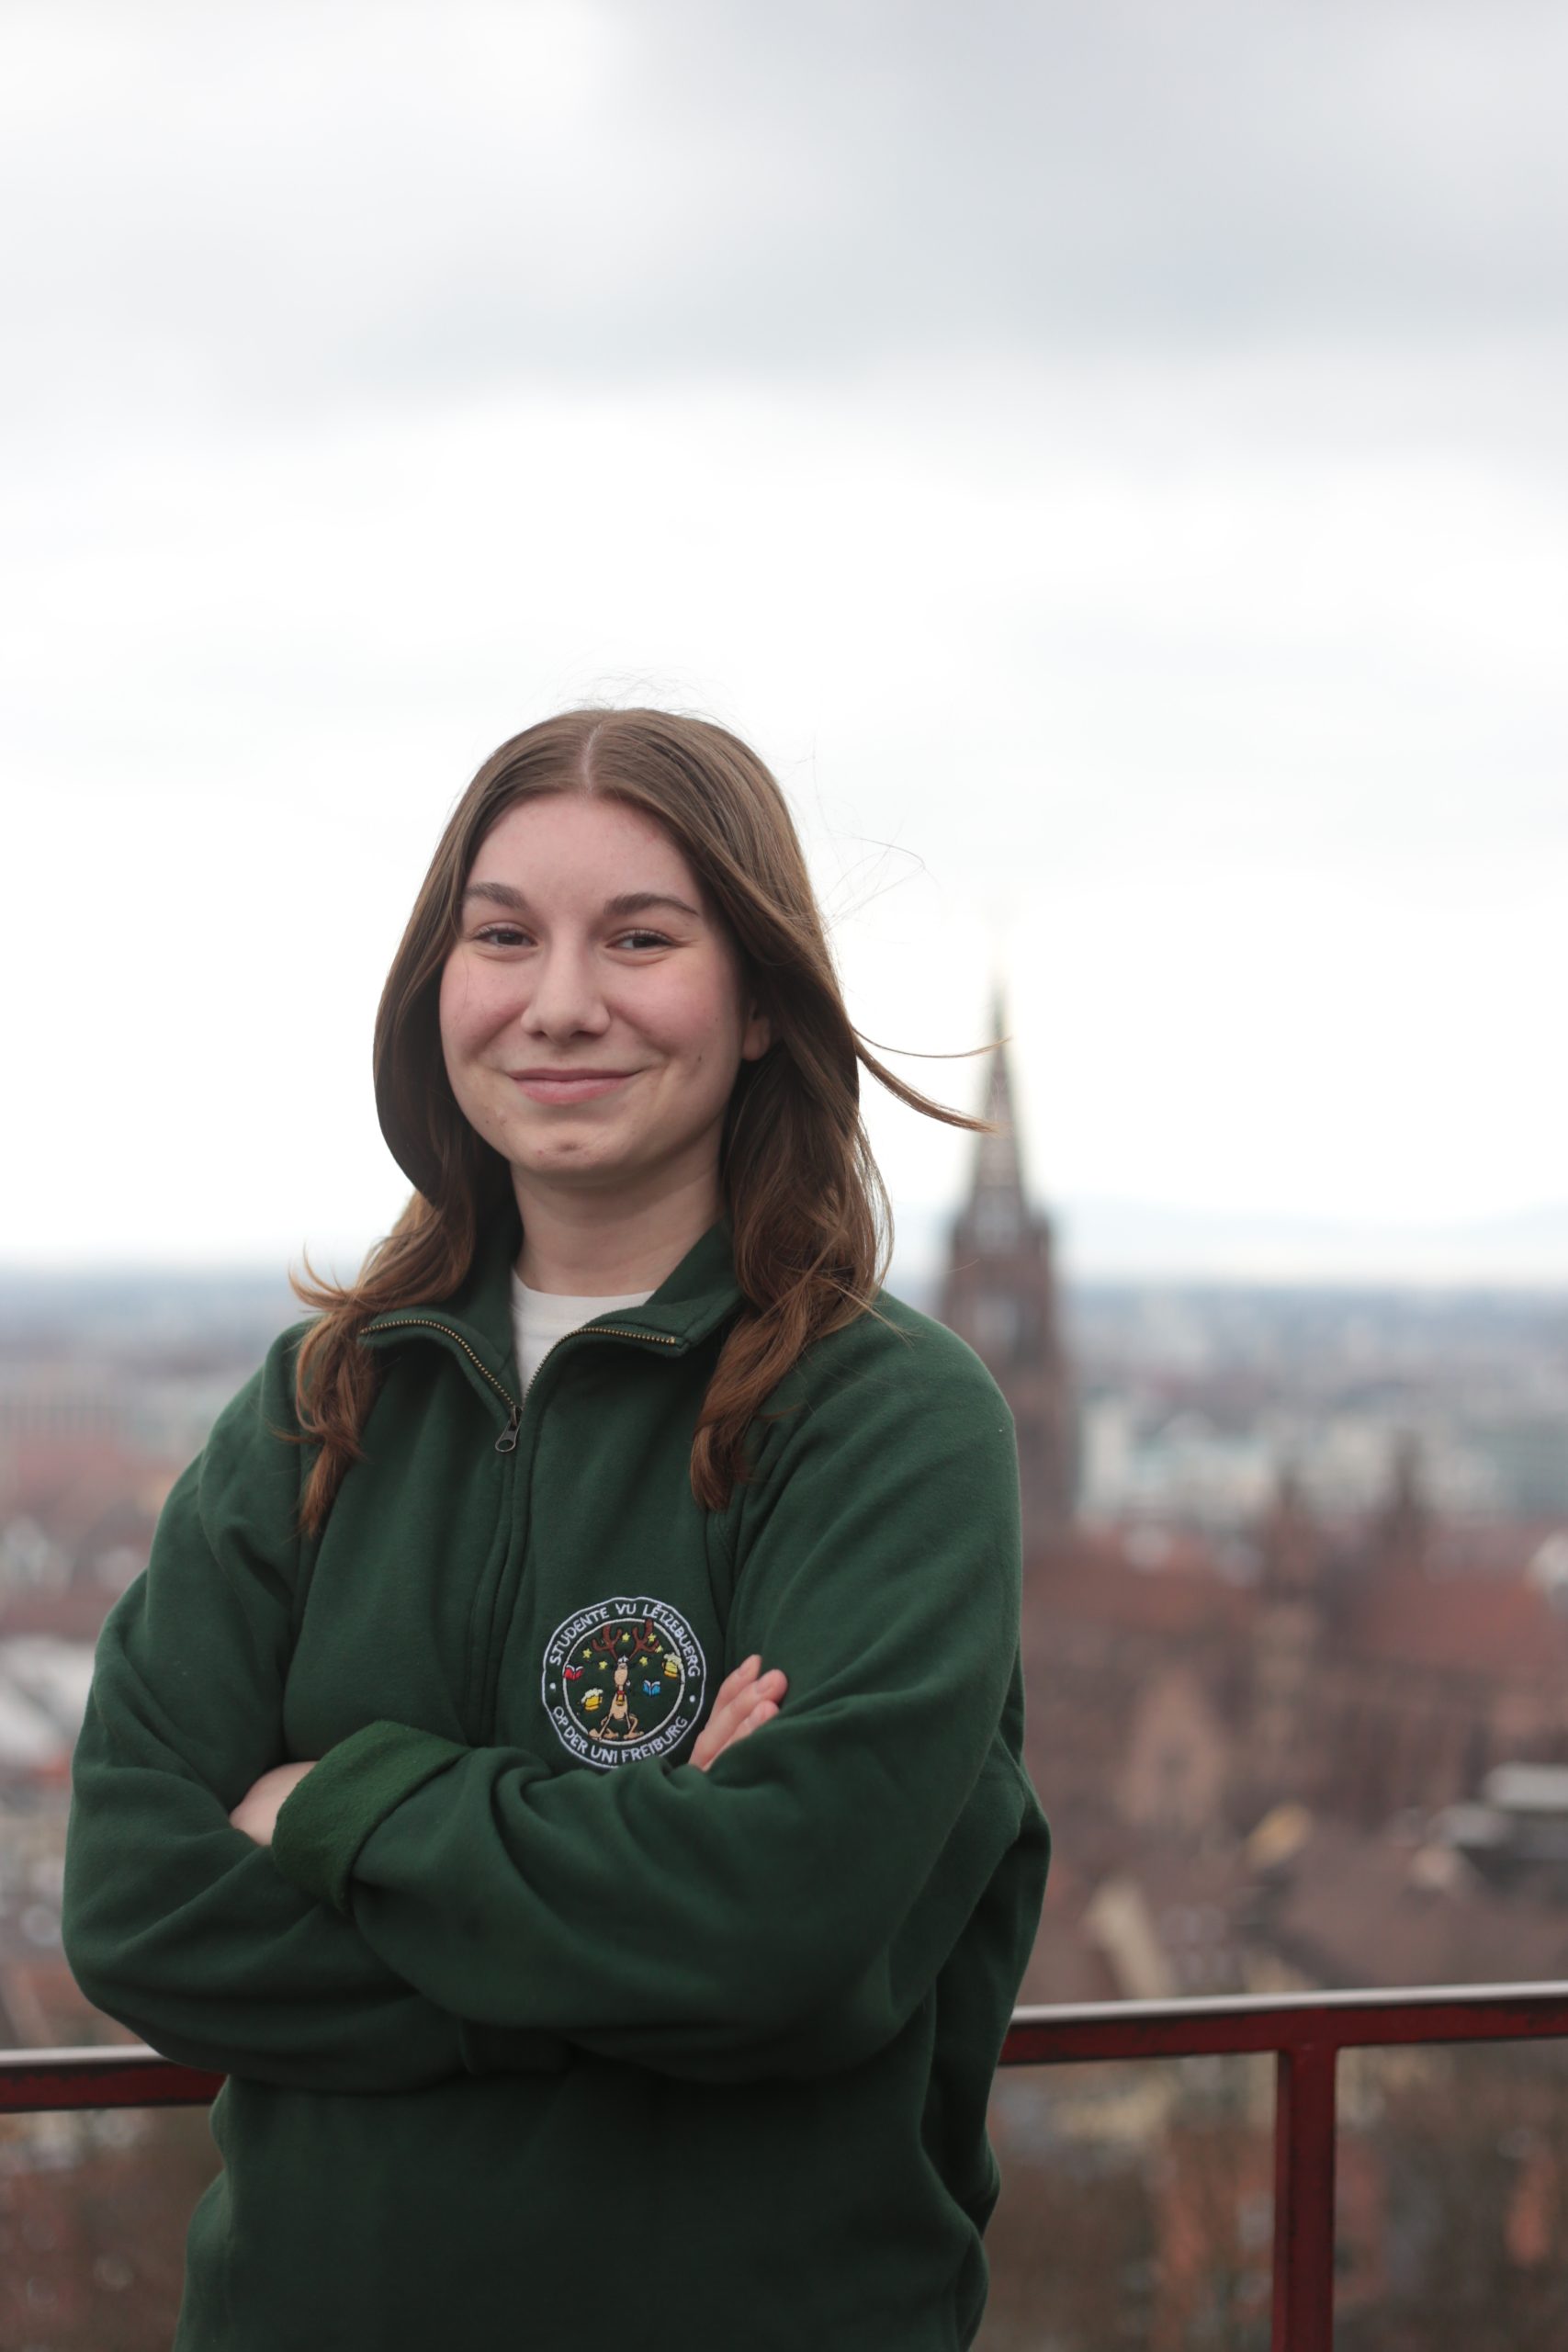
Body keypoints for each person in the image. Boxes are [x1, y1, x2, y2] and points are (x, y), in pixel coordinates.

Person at [62, 706, 1052, 2352]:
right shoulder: (317, 1406)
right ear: (436, 990)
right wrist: (629, 1932)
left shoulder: (886, 1423)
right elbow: (136, 1906)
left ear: (759, 1003)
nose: (563, 1000)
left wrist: (335, 1806)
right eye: (505, 935)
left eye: (641, 939)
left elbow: (772, 1934)